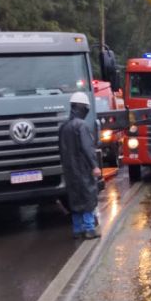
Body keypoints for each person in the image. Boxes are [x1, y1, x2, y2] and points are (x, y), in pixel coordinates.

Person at [59, 92, 102, 239]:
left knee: (75, 199)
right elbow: (87, 148)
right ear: (83, 107)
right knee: (88, 197)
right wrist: (94, 166)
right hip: (82, 169)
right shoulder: (81, 126)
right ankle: (89, 229)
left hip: (69, 169)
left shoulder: (63, 127)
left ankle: (77, 230)